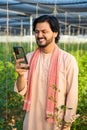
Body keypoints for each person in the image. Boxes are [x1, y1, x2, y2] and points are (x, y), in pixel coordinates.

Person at [14, 15, 78, 130]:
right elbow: (21, 91)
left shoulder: (67, 60)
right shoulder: (29, 57)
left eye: (44, 31)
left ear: (55, 33)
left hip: (55, 123)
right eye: (37, 32)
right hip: (31, 121)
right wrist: (20, 75)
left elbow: (72, 94)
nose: (39, 35)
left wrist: (67, 123)